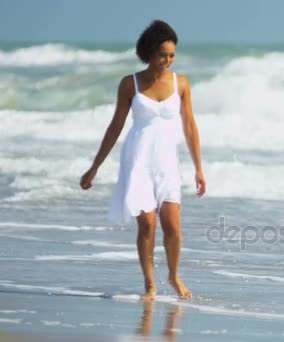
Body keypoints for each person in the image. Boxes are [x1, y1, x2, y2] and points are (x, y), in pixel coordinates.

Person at [80, 20, 205, 300]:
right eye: (163, 54)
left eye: (172, 55)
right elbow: (115, 127)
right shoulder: (130, 84)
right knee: (147, 224)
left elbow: (190, 127)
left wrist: (198, 168)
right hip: (137, 160)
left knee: (172, 226)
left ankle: (173, 275)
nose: (168, 60)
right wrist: (95, 167)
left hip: (167, 163)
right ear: (149, 52)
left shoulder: (180, 83)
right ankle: (150, 284)